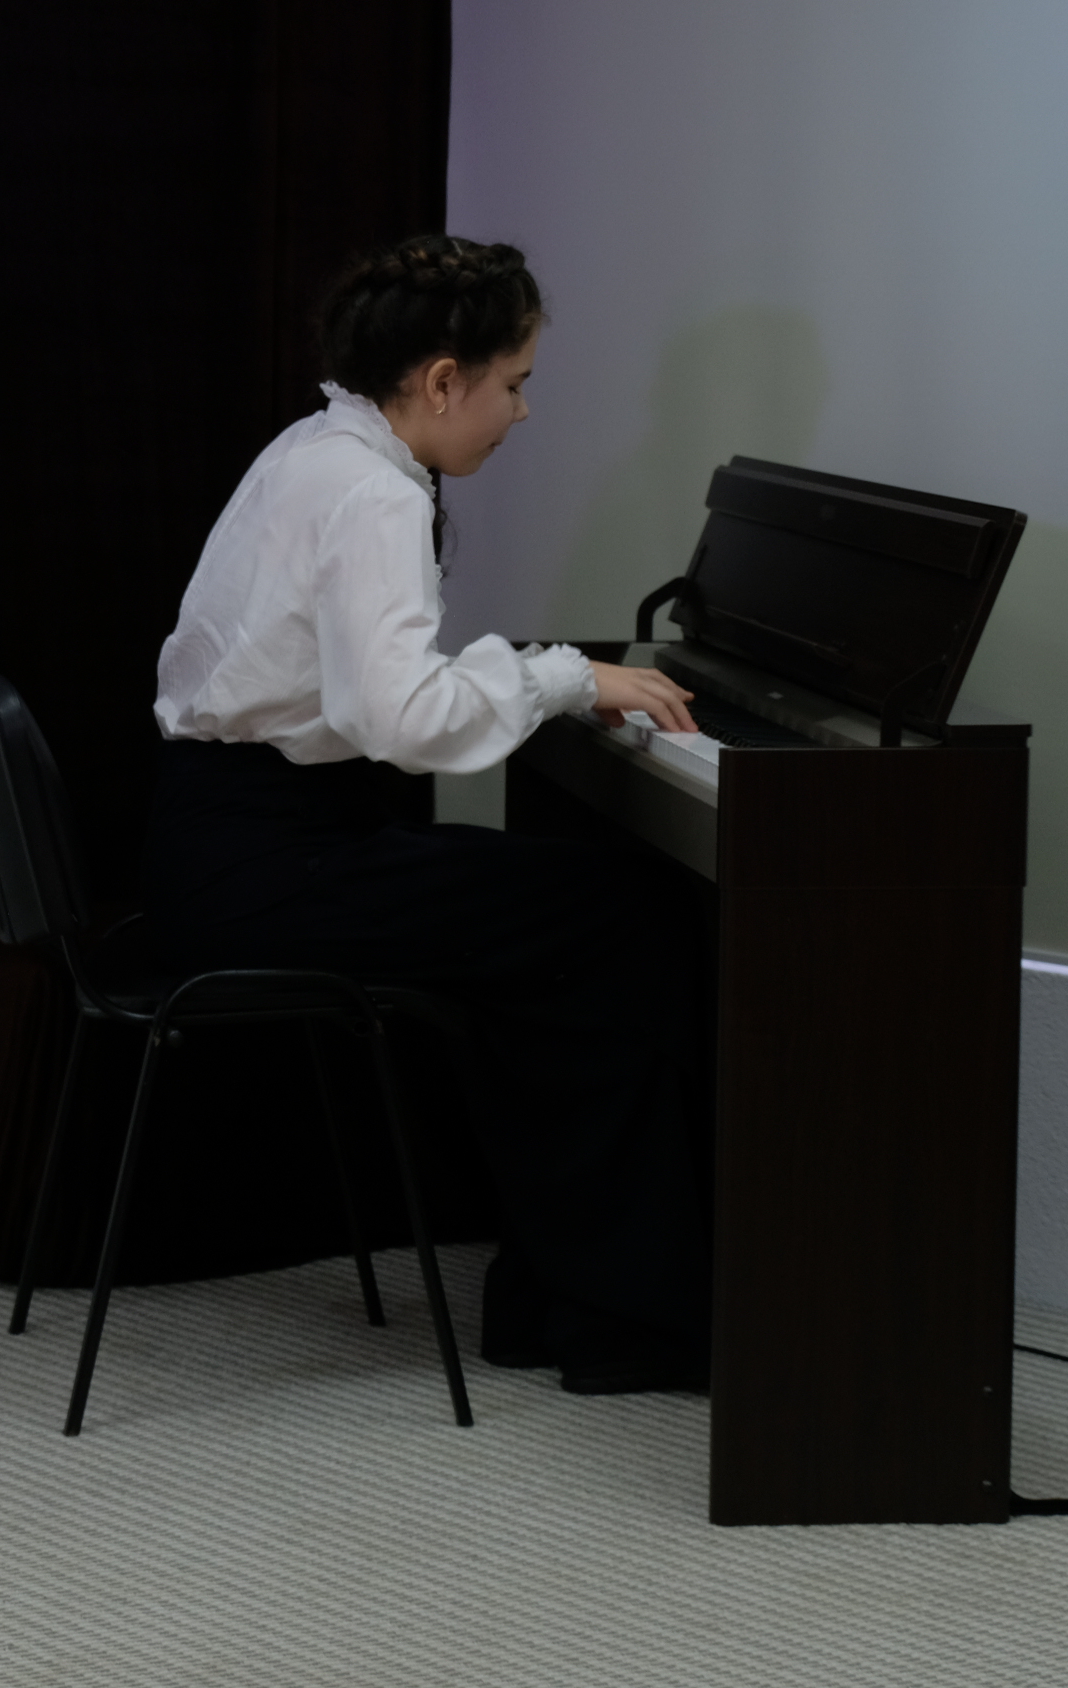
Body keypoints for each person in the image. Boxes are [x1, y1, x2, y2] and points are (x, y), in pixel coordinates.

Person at [145, 233, 712, 1396]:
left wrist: (552, 681)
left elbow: (367, 692)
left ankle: (567, 1298)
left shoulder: (318, 445)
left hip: (220, 843)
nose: (521, 412)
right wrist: (564, 676)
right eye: (514, 383)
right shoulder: (370, 490)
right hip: (265, 869)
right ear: (443, 379)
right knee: (622, 914)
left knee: (568, 917)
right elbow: (399, 717)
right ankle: (616, 1314)